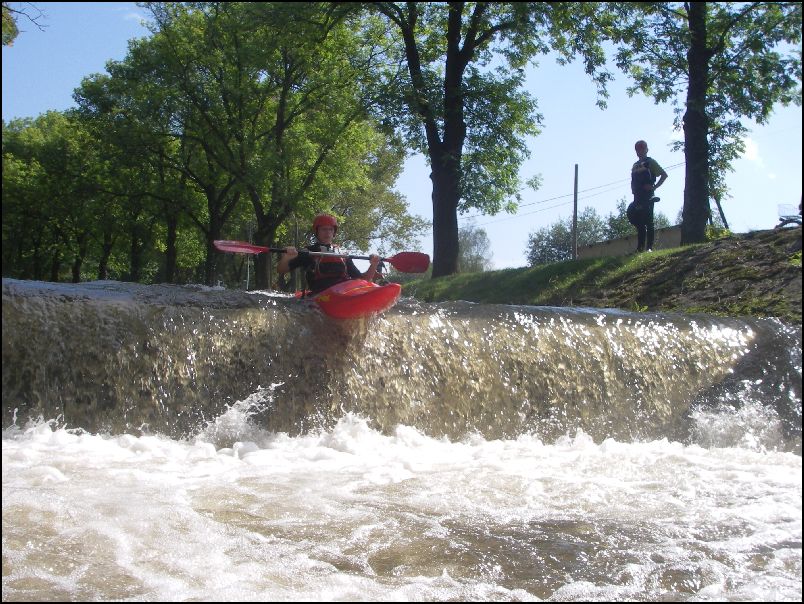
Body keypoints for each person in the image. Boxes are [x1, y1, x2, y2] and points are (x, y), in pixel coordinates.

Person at [277, 213, 380, 294]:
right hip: (321, 295)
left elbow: (363, 279)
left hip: (344, 292)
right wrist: (286, 257)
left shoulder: (342, 254)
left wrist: (374, 264)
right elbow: (281, 270)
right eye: (324, 229)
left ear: (334, 232)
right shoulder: (309, 252)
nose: (328, 233)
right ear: (317, 232)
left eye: (330, 229)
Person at [630, 140, 668, 252]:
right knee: (639, 221)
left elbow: (664, 175)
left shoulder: (651, 162)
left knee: (649, 221)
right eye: (638, 149)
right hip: (637, 197)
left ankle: (649, 248)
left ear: (646, 149)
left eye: (642, 148)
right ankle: (640, 248)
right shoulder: (635, 165)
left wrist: (654, 187)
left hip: (648, 196)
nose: (640, 151)